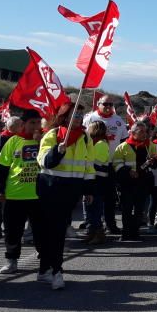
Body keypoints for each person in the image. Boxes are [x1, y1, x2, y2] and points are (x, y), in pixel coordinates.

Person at [36, 103, 95, 290]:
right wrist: (57, 151)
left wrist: (88, 190)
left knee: (58, 231)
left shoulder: (85, 138)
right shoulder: (52, 135)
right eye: (74, 114)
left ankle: (52, 270)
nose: (78, 117)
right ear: (65, 117)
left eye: (80, 114)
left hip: (71, 192)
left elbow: (89, 165)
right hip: (49, 188)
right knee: (49, 232)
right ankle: (51, 269)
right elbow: (44, 162)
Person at [0, 110, 43, 273]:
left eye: (38, 122)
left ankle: (45, 259)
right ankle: (12, 260)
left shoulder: (46, 141)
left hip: (39, 195)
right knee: (12, 231)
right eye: (32, 123)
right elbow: (1, 168)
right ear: (23, 124)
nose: (36, 126)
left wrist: (41, 143)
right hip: (14, 194)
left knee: (41, 230)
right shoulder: (13, 141)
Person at [112, 121, 157, 242]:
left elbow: (155, 164)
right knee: (126, 209)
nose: (144, 134)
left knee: (139, 209)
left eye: (145, 131)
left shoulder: (150, 145)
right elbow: (116, 165)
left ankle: (135, 232)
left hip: (143, 183)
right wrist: (128, 171)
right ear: (132, 133)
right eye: (141, 131)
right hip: (127, 184)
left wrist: (153, 161)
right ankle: (125, 233)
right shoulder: (123, 146)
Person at [83, 121, 113, 245]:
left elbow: (96, 163)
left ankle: (98, 233)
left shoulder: (101, 144)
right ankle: (91, 232)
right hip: (92, 180)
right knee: (89, 207)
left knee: (95, 208)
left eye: (90, 127)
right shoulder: (94, 143)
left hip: (98, 181)